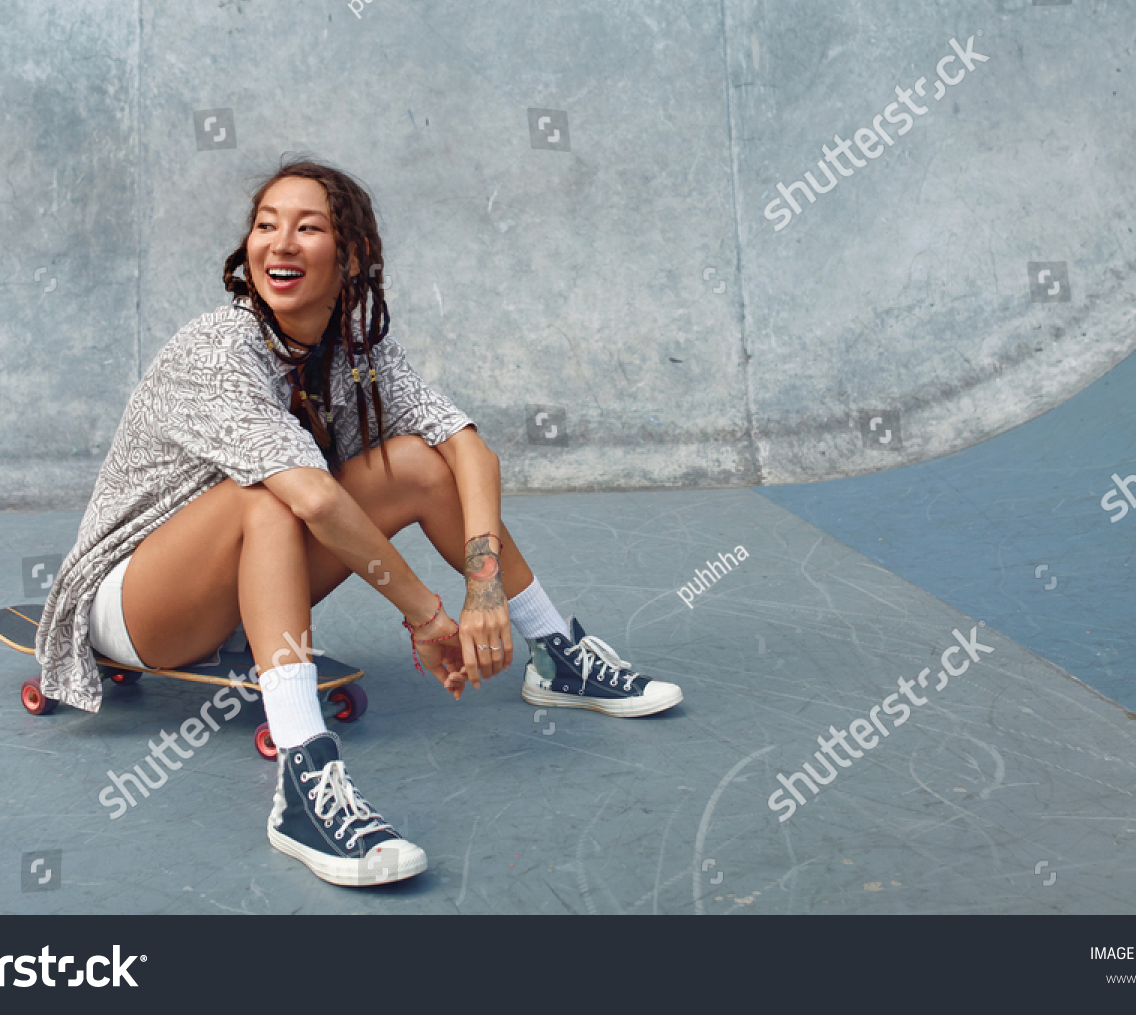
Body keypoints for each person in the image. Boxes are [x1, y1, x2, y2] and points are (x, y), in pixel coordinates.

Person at [34, 156, 683, 887]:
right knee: (269, 495)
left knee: (414, 463)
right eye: (265, 225)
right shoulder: (220, 350)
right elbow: (310, 500)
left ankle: (553, 649)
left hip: (242, 585)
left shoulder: (355, 348)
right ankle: (303, 783)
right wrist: (428, 616)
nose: (279, 244)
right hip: (135, 601)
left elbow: (470, 451)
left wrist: (484, 588)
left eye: (306, 228)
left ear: (352, 256)